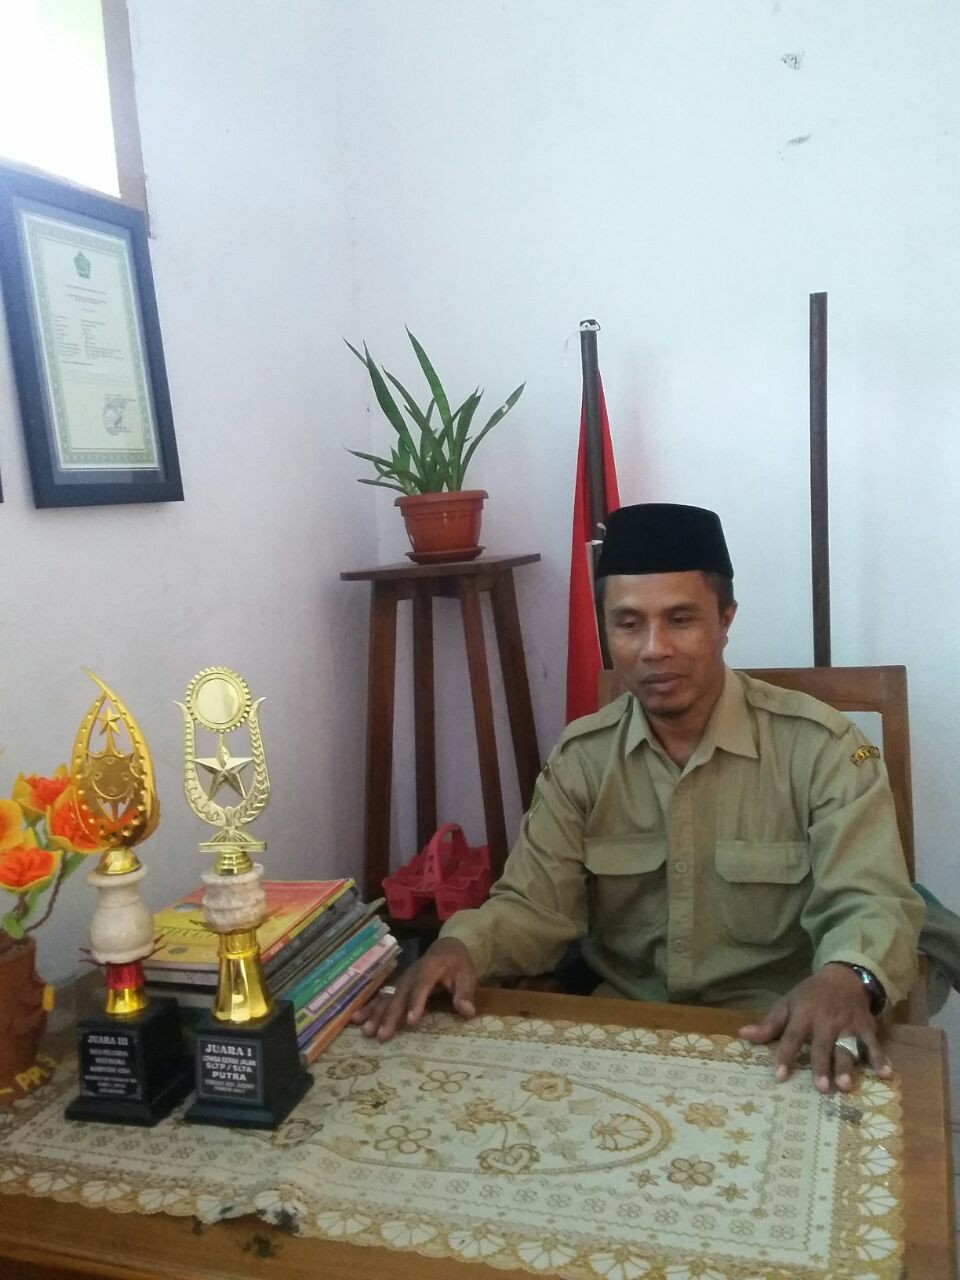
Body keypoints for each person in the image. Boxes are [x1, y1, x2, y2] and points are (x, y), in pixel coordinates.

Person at [353, 503, 923, 1093]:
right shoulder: (583, 759)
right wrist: (459, 947)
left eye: (681, 619)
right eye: (628, 624)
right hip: (619, 1039)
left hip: (779, 1035)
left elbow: (872, 900)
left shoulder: (820, 749)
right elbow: (533, 907)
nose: (654, 648)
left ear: (726, 620)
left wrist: (848, 975)